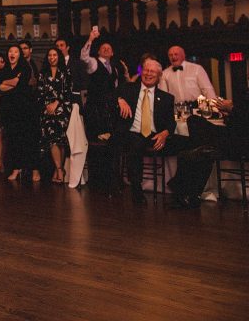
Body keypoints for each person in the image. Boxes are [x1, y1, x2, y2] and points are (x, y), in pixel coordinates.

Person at [114, 59, 189, 205]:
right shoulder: (128, 89)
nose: (148, 74)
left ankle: (181, 187)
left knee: (187, 143)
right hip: (132, 133)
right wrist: (119, 100)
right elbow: (109, 96)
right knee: (135, 144)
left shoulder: (167, 98)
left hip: (155, 135)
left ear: (159, 76)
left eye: (152, 72)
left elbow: (171, 122)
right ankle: (136, 188)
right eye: (146, 70)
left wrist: (165, 133)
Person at [0, 44, 39, 182]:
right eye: (10, 51)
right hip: (9, 110)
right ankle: (16, 168)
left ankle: (34, 169)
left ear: (19, 54)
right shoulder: (4, 70)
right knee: (12, 140)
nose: (12, 54)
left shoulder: (25, 68)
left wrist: (6, 83)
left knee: (27, 139)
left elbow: (19, 84)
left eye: (15, 51)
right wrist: (12, 82)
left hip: (24, 110)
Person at [80, 28, 125, 140]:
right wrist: (91, 39)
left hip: (110, 108)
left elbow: (115, 87)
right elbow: (84, 57)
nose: (106, 49)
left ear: (112, 53)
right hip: (95, 107)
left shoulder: (115, 68)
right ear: (98, 52)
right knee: (97, 139)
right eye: (103, 48)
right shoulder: (94, 62)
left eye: (108, 48)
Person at [37, 47, 73, 183]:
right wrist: (47, 106)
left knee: (61, 140)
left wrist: (56, 103)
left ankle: (59, 170)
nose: (52, 57)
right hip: (47, 110)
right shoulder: (43, 73)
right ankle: (59, 169)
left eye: (54, 55)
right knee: (52, 139)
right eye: (50, 55)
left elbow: (68, 90)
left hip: (62, 107)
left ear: (59, 57)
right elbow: (40, 92)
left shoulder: (66, 72)